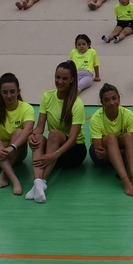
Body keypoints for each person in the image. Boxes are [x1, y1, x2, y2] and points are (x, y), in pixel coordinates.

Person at [26, 61, 88, 203]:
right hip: (54, 149)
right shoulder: (47, 97)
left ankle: (42, 181)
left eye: (64, 79)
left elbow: (72, 139)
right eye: (57, 77)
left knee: (53, 133)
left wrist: (54, 155)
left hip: (73, 152)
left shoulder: (76, 104)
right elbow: (40, 127)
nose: (60, 81)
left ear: (72, 80)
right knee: (39, 139)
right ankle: (37, 183)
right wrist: (31, 136)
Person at [0, 73, 34, 195]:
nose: (9, 96)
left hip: (16, 152)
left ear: (18, 91)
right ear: (0, 92)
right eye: (5, 92)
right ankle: (14, 179)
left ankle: (4, 173)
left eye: (12, 92)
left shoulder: (26, 108)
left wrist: (11, 148)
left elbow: (28, 129)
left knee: (19, 132)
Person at [89, 83, 133, 196]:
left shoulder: (128, 114)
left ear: (119, 98)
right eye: (107, 100)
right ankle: (126, 181)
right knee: (111, 138)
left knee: (129, 136)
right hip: (100, 156)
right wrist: (127, 152)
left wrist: (112, 153)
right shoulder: (96, 118)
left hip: (111, 152)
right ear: (102, 103)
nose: (112, 103)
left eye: (114, 98)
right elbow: (99, 151)